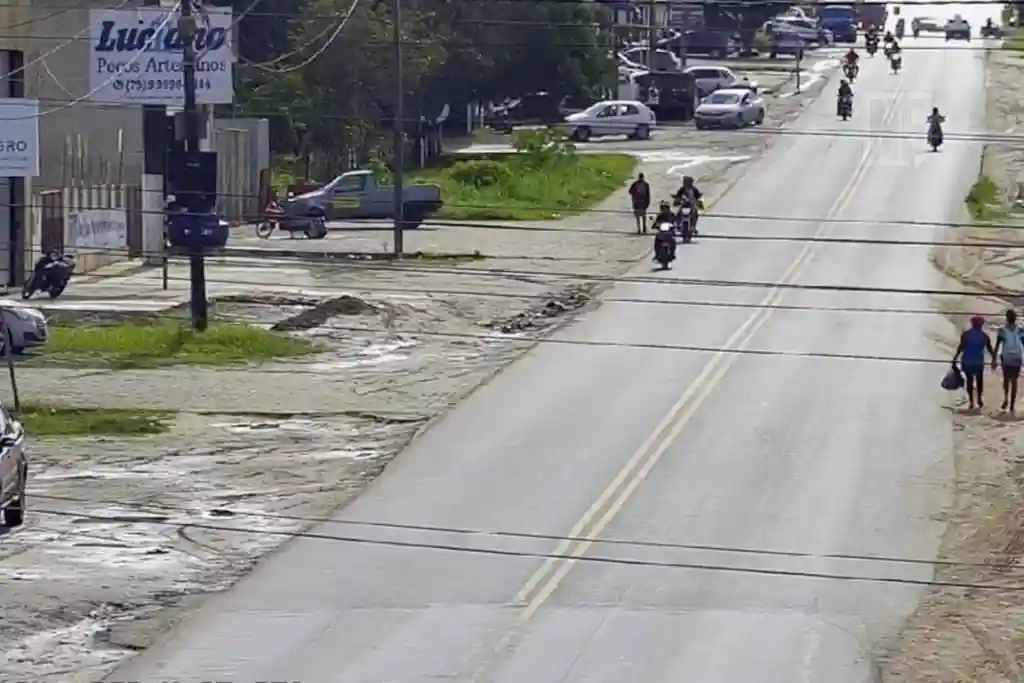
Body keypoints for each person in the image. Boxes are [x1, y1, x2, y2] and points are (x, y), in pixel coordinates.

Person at [953, 315, 995, 411]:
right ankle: (979, 399)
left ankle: (971, 401)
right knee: (979, 381)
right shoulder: (984, 336)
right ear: (981, 324)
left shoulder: (966, 334)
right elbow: (990, 350)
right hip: (978, 362)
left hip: (967, 360)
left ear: (972, 324)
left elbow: (960, 348)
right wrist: (994, 360)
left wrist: (954, 359)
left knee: (969, 381)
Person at [993, 309, 1024, 411]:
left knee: (1006, 379)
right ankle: (1012, 404)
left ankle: (1006, 398)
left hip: (1006, 357)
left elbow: (997, 347)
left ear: (1006, 319)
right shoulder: (1020, 331)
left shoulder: (1002, 331)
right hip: (1017, 357)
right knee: (1014, 381)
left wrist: (994, 360)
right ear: (1015, 319)